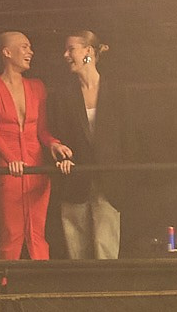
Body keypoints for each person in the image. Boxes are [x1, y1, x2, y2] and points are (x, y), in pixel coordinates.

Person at [45, 30, 124, 259]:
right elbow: (56, 134)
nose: (65, 54)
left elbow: (128, 137)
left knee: (106, 249)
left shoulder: (117, 92)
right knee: (75, 251)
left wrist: (122, 173)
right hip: (74, 180)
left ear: (88, 52)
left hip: (109, 181)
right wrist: (63, 159)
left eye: (71, 49)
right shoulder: (63, 95)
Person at [0, 31, 53, 260]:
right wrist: (10, 158)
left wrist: (55, 145)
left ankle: (42, 285)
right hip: (8, 169)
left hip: (36, 167)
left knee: (37, 231)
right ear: (7, 52)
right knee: (11, 232)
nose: (30, 52)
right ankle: (3, 286)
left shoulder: (37, 86)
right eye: (24, 47)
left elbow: (42, 130)